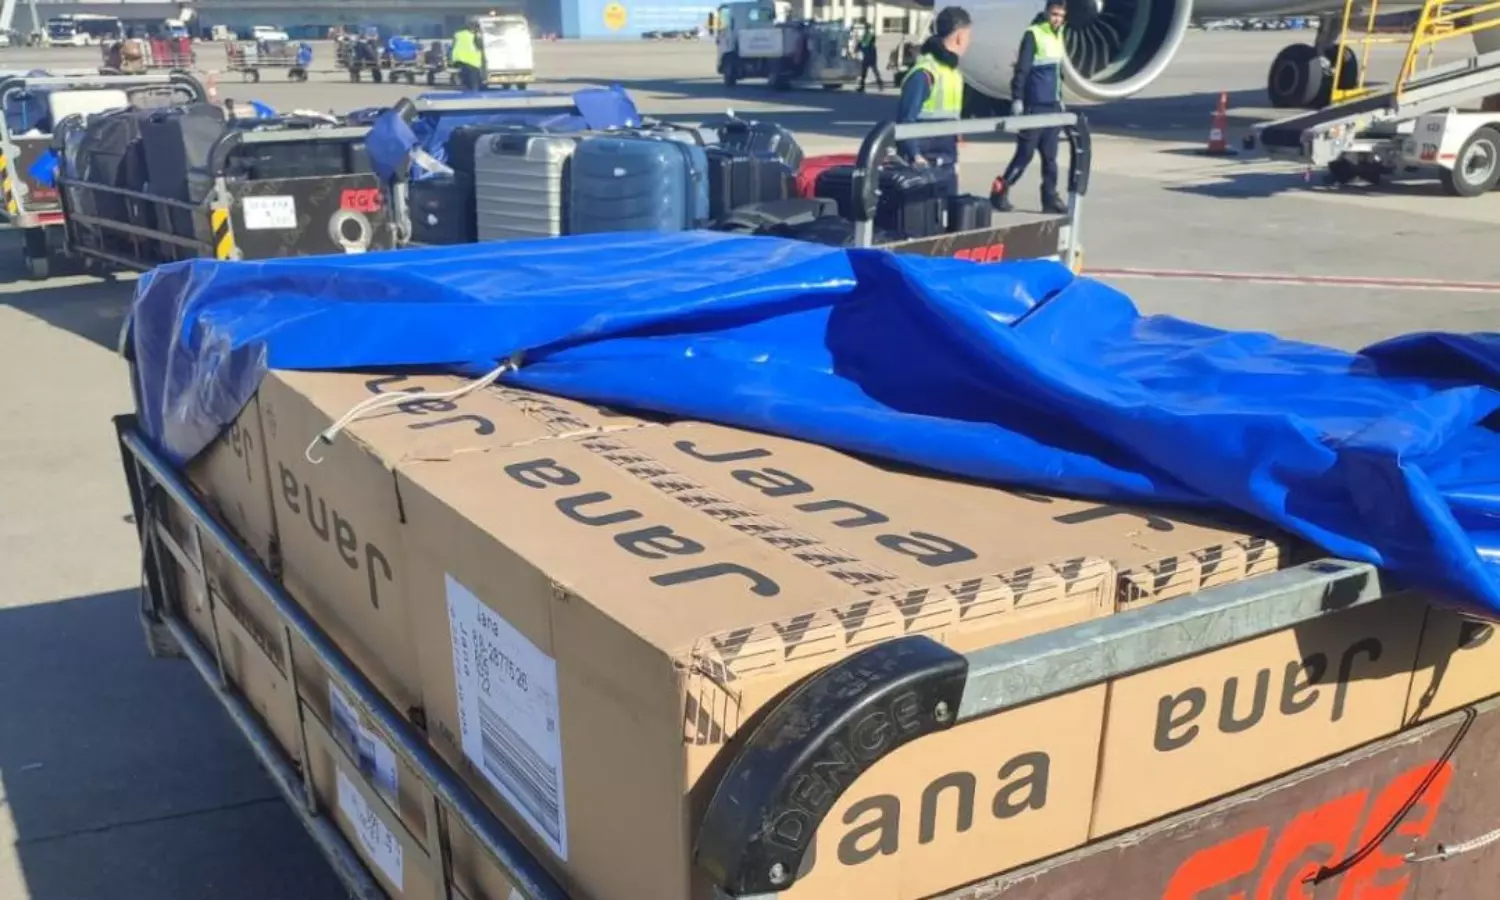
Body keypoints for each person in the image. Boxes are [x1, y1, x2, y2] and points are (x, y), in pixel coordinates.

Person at [993, 0, 1068, 214]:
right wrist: (1017, 98)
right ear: (1046, 13)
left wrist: (1060, 98)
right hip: (1034, 105)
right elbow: (1022, 69)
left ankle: (1050, 197)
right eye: (1054, 14)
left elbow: (1057, 72)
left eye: (1061, 16)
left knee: (1050, 158)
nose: (1057, 19)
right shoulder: (1033, 34)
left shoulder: (1058, 35)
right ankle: (1000, 190)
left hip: (1052, 106)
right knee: (1024, 154)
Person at [894, 5, 971, 186]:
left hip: (946, 157)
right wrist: (915, 156)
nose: (969, 42)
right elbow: (906, 120)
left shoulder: (953, 73)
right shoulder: (925, 73)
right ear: (959, 37)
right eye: (968, 36)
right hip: (924, 160)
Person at [451, 19, 484, 92]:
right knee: (474, 82)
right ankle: (473, 92)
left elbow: (453, 46)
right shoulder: (476, 35)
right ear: (476, 28)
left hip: (459, 59)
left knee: (465, 79)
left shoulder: (458, 34)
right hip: (472, 61)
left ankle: (465, 89)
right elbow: (480, 46)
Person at [857, 25, 884, 92]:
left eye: (866, 28)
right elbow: (863, 44)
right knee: (866, 73)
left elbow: (864, 44)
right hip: (868, 57)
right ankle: (879, 85)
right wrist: (860, 45)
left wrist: (860, 46)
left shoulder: (869, 36)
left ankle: (880, 85)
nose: (865, 29)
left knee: (870, 72)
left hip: (869, 57)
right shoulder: (867, 35)